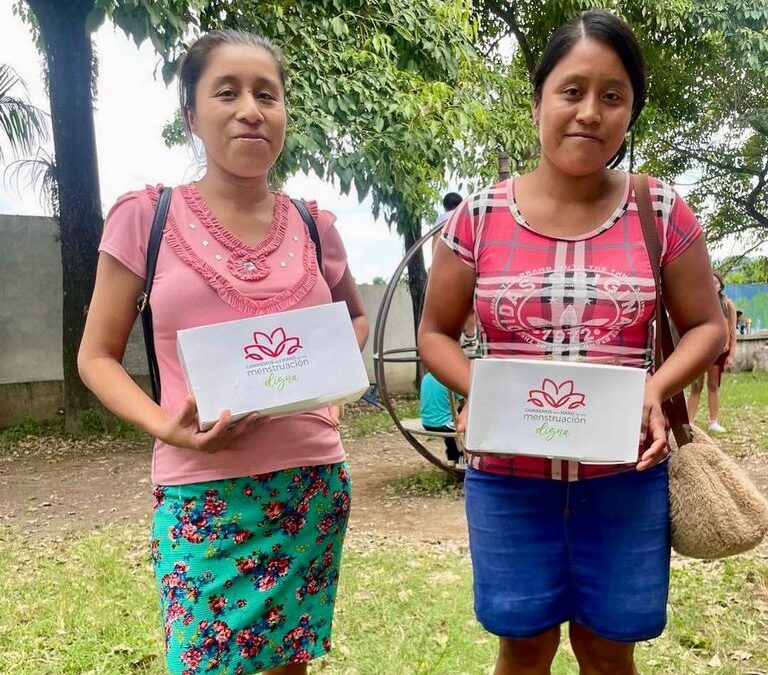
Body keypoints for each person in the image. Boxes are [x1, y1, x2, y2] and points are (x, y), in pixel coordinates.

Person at [418, 10, 725, 675]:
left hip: (624, 476)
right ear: (537, 103)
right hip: (509, 480)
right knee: (523, 647)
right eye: (572, 90)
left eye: (612, 96)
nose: (590, 112)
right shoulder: (476, 219)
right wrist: (482, 390)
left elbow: (707, 325)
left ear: (629, 113)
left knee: (607, 649)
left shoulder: (662, 211)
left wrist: (655, 386)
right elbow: (434, 334)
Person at [78, 30, 368, 675]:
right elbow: (96, 356)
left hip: (311, 481)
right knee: (207, 664)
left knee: (290, 660)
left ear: (285, 113)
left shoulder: (315, 224)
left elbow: (353, 316)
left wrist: (328, 390)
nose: (249, 109)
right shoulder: (145, 216)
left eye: (267, 94)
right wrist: (167, 427)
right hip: (203, 487)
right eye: (227, 92)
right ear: (191, 114)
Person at [687, 272, 738, 432]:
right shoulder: (700, 303)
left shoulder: (728, 304)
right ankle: (689, 421)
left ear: (721, 286)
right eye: (710, 282)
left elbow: (733, 332)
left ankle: (713, 421)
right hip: (701, 351)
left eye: (716, 282)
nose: (713, 285)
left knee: (713, 385)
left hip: (720, 352)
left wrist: (731, 354)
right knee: (696, 386)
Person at [420, 371, 464, 468]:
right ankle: (461, 458)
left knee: (450, 419)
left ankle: (451, 457)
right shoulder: (450, 379)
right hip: (442, 424)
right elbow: (464, 404)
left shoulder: (426, 377)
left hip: (426, 422)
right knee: (462, 421)